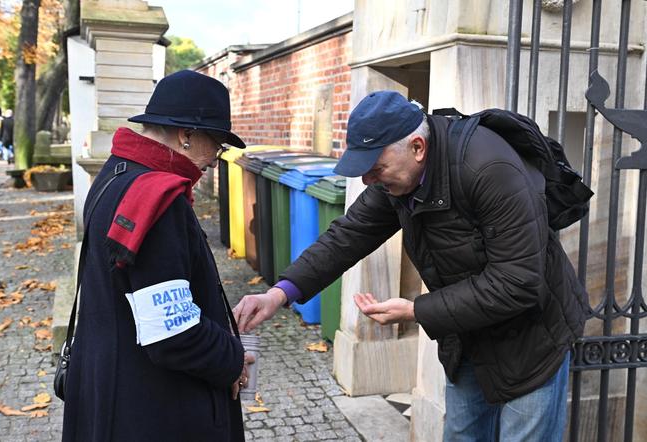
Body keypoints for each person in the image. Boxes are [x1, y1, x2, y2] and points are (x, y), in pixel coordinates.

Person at [233, 91, 590, 441]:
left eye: (376, 168)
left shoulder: (488, 168)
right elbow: (349, 235)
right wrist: (280, 294)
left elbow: (517, 282)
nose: (369, 181)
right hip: (468, 335)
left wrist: (416, 310)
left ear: (417, 148)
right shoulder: (396, 181)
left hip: (533, 340)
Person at [62, 70, 253, 442]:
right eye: (217, 144)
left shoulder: (114, 175)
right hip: (152, 407)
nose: (216, 160)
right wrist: (231, 360)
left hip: (111, 388)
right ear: (186, 135)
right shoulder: (157, 201)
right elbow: (173, 335)